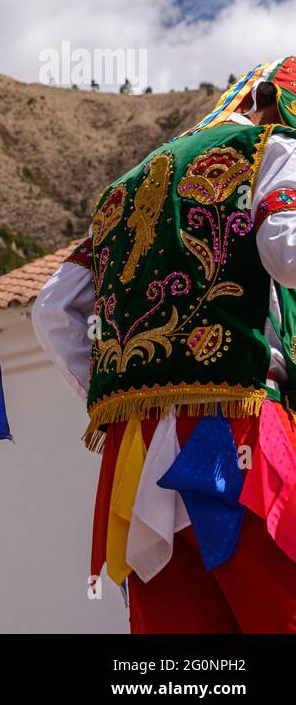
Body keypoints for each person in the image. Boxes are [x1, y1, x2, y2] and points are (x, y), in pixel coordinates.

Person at [33, 57, 296, 632]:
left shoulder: (127, 188)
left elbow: (51, 309)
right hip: (240, 426)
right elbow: (288, 254)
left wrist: (127, 391)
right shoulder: (273, 152)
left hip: (139, 449)